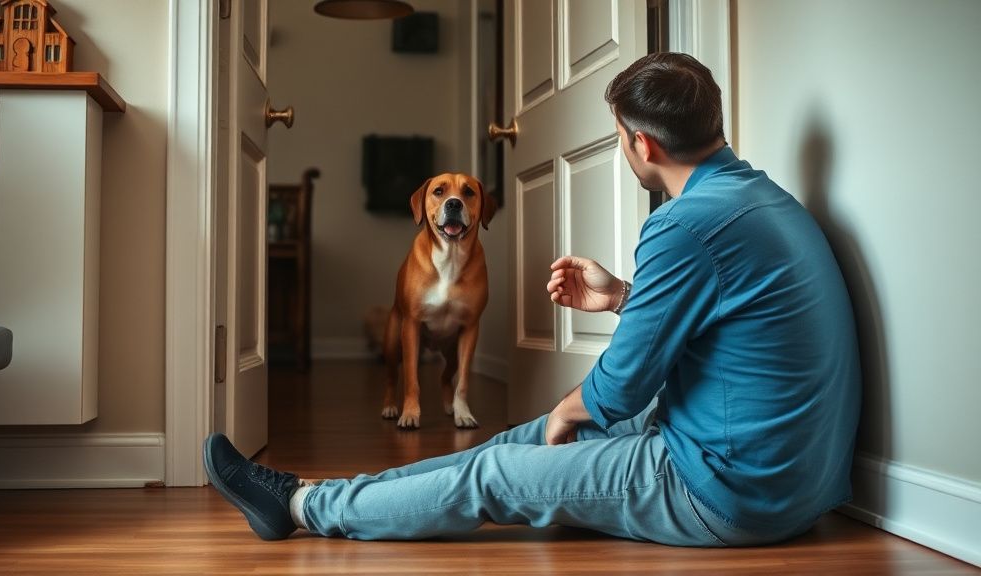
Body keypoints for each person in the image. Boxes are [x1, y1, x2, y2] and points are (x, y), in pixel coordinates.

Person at [202, 52, 861, 547]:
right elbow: (731, 323)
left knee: (500, 474)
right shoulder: (761, 201)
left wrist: (573, 410)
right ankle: (322, 492)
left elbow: (621, 389)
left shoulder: (683, 224)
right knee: (517, 441)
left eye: (618, 136)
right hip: (791, 480)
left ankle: (298, 509)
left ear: (644, 144)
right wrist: (625, 297)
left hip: (728, 491)